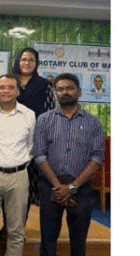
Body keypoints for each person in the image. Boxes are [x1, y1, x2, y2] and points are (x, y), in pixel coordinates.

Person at [33, 73, 105, 256]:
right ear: (56, 93)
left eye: (69, 88)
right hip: (51, 188)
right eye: (60, 89)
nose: (65, 92)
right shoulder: (44, 119)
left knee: (79, 242)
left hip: (82, 188)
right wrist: (59, 186)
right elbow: (39, 154)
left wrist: (73, 187)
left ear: (79, 91)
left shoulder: (93, 122)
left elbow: (97, 157)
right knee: (47, 241)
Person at [0, 74, 36, 256]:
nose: (6, 91)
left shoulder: (29, 115)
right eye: (2, 87)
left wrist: (18, 162)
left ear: (18, 91)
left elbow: (30, 146)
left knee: (16, 230)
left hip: (19, 176)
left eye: (11, 87)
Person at [12, 47, 56, 218]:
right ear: (18, 61)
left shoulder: (44, 85)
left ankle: (19, 225)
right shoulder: (9, 82)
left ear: (36, 63)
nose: (27, 63)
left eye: (31, 60)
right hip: (8, 141)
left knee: (27, 186)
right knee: (8, 185)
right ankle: (8, 225)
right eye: (24, 59)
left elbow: (50, 116)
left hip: (33, 142)